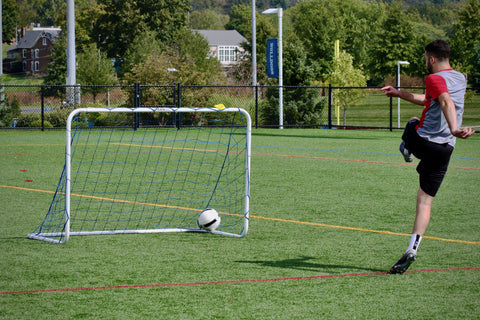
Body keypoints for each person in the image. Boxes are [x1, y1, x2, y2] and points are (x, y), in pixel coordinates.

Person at [381, 39, 475, 274]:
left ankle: (406, 149)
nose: (425, 62)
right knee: (424, 201)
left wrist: (453, 127)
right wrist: (397, 93)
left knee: (412, 122)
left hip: (424, 141)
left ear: (431, 59)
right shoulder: (461, 78)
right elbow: (431, 99)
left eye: (425, 58)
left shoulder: (433, 78)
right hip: (446, 149)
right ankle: (412, 248)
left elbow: (445, 102)